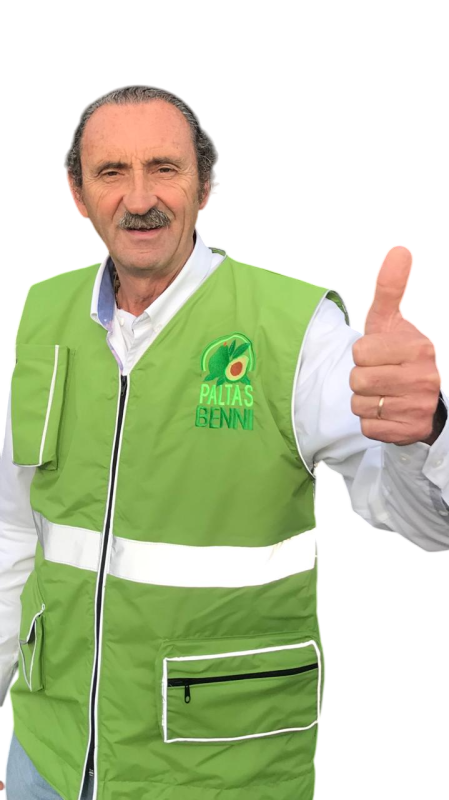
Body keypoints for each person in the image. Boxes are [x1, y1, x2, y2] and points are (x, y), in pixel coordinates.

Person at [1, 84, 448, 800]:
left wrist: (427, 431)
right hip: (49, 755)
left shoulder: (296, 330)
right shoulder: (44, 311)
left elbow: (430, 525)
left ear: (206, 185)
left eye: (164, 168)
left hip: (220, 767)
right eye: (111, 172)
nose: (139, 198)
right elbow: (17, 528)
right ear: (78, 194)